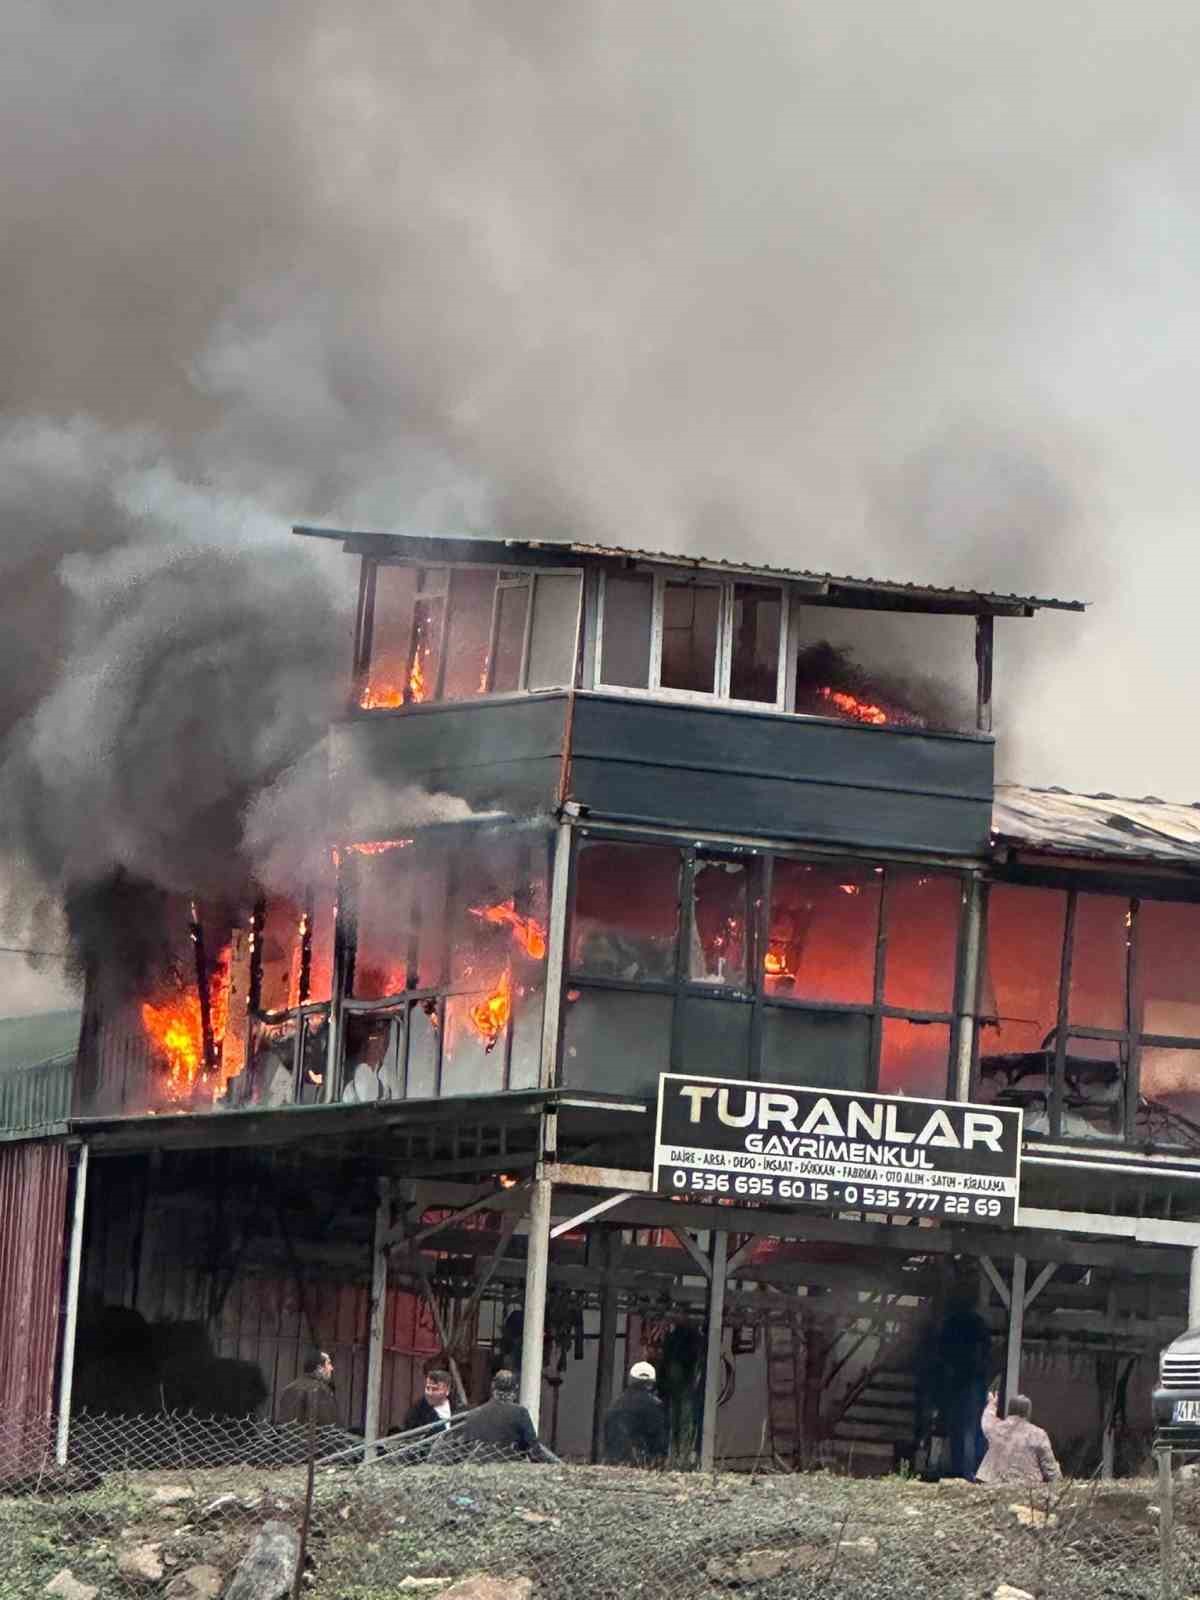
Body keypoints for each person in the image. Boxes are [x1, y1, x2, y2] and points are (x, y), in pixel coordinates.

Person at [428, 1369, 557, 1464]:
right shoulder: (520, 1413)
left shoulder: (473, 1415)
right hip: (510, 1469)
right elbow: (534, 1451)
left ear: (492, 1387)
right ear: (515, 1390)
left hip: (477, 1469)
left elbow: (464, 1450)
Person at [977, 1390, 1062, 1486]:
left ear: (1009, 1410)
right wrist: (1060, 1484)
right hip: (1026, 1487)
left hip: (993, 1484)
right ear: (1028, 1412)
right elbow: (1050, 1469)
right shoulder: (1038, 1434)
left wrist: (992, 1404)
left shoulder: (996, 1427)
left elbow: (987, 1418)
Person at [602, 1361, 668, 1467]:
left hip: (612, 1464)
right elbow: (659, 1443)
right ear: (651, 1383)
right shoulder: (655, 1406)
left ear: (630, 1380)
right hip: (638, 1466)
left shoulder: (616, 1404)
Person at [277, 1347, 338, 1427]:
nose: (331, 1368)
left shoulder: (289, 1387)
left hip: (289, 1438)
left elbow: (283, 1422)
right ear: (319, 1368)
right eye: (329, 1363)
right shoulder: (321, 1390)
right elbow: (328, 1425)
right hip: (314, 1438)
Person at [403, 1369, 459, 1433]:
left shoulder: (457, 1408)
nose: (429, 1393)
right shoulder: (415, 1413)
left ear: (447, 1391)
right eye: (427, 1388)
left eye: (435, 1389)